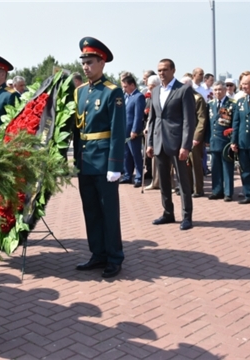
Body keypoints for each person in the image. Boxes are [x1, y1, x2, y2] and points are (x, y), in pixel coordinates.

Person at [73, 37, 125, 279]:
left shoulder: (112, 92)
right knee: (91, 210)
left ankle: (114, 257)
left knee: (108, 212)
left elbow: (118, 131)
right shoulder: (80, 92)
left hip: (104, 161)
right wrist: (75, 161)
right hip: (86, 161)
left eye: (90, 62)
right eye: (83, 62)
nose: (86, 67)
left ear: (102, 63)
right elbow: (76, 130)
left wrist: (115, 165)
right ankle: (98, 253)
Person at [146, 59, 196, 230]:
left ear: (173, 70)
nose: (161, 73)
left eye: (165, 70)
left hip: (177, 143)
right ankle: (168, 213)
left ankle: (187, 216)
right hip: (159, 142)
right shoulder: (156, 91)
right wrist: (150, 143)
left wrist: (185, 145)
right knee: (164, 181)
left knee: (182, 182)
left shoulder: (183, 90)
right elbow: (152, 120)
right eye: (159, 70)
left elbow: (189, 121)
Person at [206, 81, 236, 201]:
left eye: (220, 89)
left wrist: (233, 140)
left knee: (227, 167)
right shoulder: (210, 104)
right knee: (215, 167)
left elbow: (234, 124)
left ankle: (228, 192)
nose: (218, 92)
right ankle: (217, 191)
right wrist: (207, 138)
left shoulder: (231, 104)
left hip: (226, 141)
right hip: (214, 140)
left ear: (225, 90)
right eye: (216, 90)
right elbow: (208, 124)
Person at [178, 77, 207, 197]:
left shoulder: (198, 98)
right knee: (184, 163)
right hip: (182, 135)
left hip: (194, 136)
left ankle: (198, 189)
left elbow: (202, 120)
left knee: (195, 163)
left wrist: (197, 137)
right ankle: (187, 188)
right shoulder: (180, 97)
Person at [231, 73, 250, 204]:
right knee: (245, 170)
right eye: (242, 84)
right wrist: (233, 141)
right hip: (242, 141)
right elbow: (236, 123)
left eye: (246, 84)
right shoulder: (241, 101)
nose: (243, 86)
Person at [119, 74, 145, 187]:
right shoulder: (125, 96)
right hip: (124, 130)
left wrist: (134, 130)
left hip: (132, 131)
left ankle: (139, 177)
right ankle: (127, 175)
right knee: (126, 154)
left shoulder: (138, 97)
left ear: (132, 85)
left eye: (125, 86)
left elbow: (138, 116)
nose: (124, 88)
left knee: (135, 154)